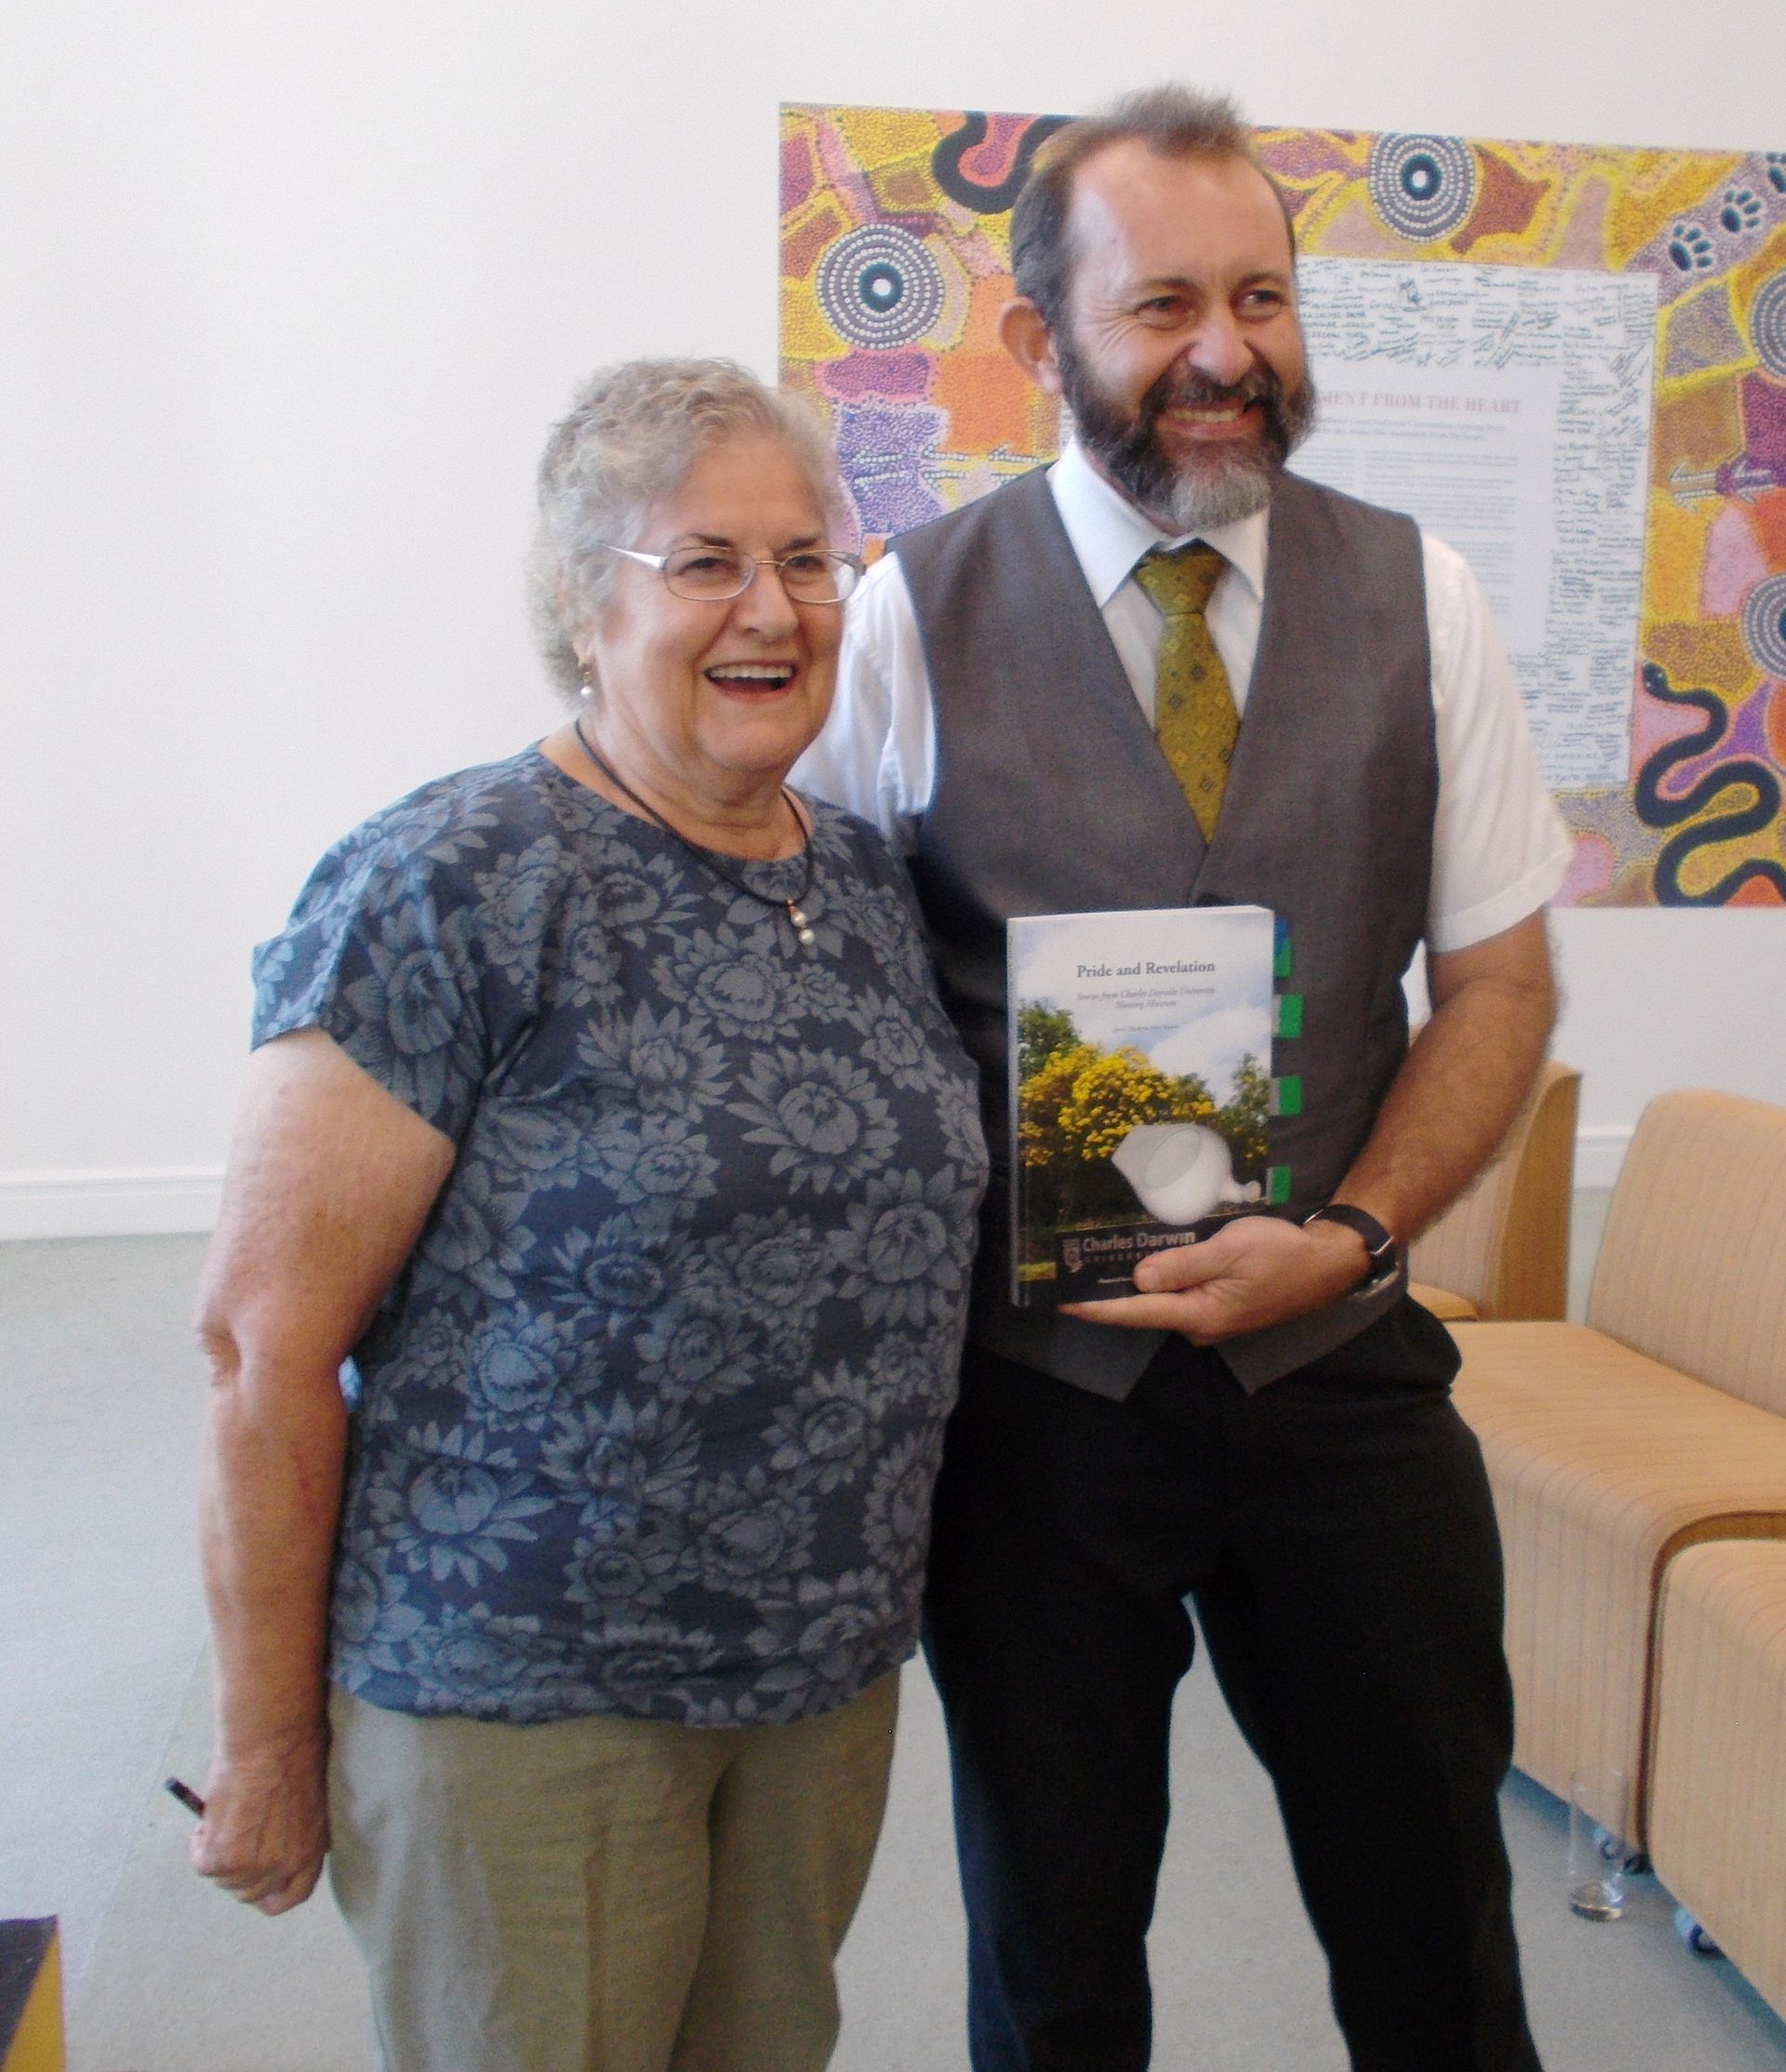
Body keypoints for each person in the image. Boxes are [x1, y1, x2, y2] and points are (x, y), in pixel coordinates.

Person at [796, 85, 1569, 2072]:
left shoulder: (1430, 601)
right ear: (1044, 344)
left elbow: (1492, 985)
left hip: (1346, 1374)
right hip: (1038, 1419)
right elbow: (818, 998)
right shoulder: (905, 616)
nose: (1227, 351)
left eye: (1265, 297)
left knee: (1438, 1937)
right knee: (1055, 1961)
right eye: (1163, 307)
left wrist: (1356, 1234)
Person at [189, 356, 988, 2072]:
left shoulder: (860, 882)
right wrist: (265, 1750)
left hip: (820, 1676)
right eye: (703, 561)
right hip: (528, 1694)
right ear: (579, 600)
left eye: (805, 561)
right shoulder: (451, 879)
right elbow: (262, 1353)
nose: (770, 608)